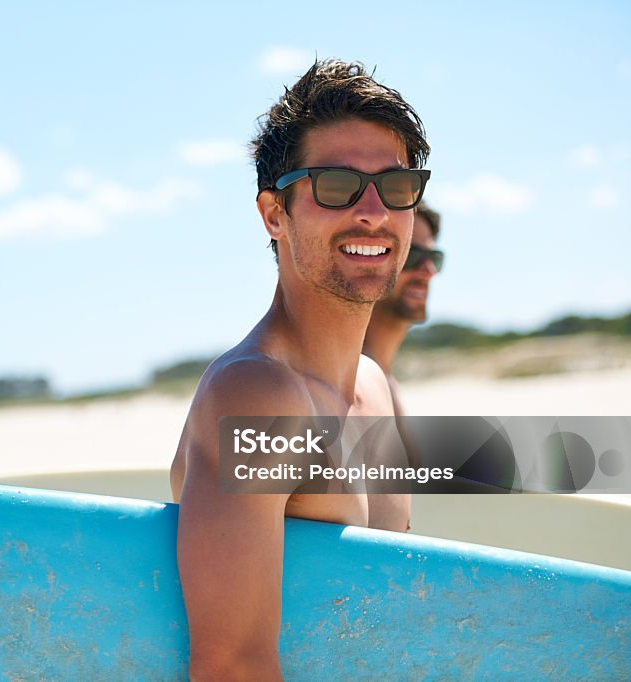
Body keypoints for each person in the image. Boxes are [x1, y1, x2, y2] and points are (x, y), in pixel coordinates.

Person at [168, 59, 430, 680]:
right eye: (336, 185)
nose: (372, 212)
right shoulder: (258, 395)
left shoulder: (372, 387)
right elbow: (233, 666)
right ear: (273, 214)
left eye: (395, 187)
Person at [362, 202, 444, 417]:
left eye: (434, 259)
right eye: (411, 255)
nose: (428, 271)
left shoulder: (384, 382)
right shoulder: (352, 385)